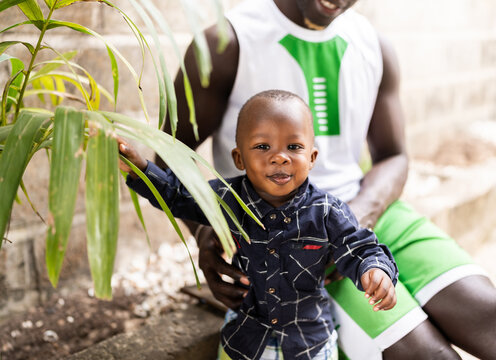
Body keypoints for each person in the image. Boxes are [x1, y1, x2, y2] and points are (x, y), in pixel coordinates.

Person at [160, 0, 496, 359]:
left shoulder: (374, 45)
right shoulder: (228, 43)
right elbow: (167, 158)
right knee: (426, 353)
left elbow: (394, 156)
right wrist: (210, 234)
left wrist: (356, 216)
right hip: (287, 240)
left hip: (368, 211)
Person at [120, 89, 399, 360]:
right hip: (246, 337)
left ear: (312, 158)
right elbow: (177, 195)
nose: (279, 157)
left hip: (309, 340)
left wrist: (375, 269)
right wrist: (141, 170)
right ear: (239, 158)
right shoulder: (229, 199)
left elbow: (360, 247)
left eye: (294, 147)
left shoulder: (327, 211)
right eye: (263, 146)